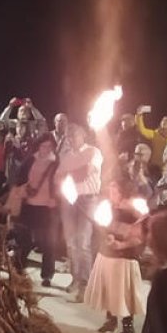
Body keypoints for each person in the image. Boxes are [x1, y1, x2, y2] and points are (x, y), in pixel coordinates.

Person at [85, 180, 145, 333]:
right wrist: (107, 236)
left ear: (123, 192)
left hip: (124, 259)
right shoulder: (108, 207)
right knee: (108, 291)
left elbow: (140, 237)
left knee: (123, 294)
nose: (111, 194)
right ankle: (111, 321)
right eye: (110, 190)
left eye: (115, 190)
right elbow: (104, 228)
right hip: (107, 255)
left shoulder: (134, 212)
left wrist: (122, 244)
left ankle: (128, 327)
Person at [57, 125, 102, 302]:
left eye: (74, 135)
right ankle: (76, 278)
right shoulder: (67, 155)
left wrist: (67, 173)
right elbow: (58, 177)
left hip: (87, 199)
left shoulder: (93, 152)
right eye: (68, 136)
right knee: (70, 242)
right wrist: (67, 174)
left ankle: (86, 284)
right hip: (68, 201)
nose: (71, 138)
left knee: (83, 242)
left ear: (83, 135)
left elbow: (86, 173)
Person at [13, 132, 60, 287]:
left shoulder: (56, 162)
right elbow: (19, 178)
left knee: (48, 242)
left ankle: (47, 275)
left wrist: (56, 198)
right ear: (38, 145)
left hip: (47, 207)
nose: (46, 149)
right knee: (24, 240)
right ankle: (18, 268)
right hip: (29, 205)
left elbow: (61, 182)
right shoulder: (30, 160)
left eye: (49, 146)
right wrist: (22, 189)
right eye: (43, 145)